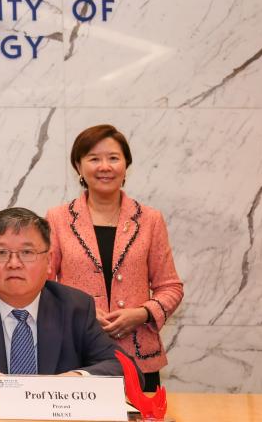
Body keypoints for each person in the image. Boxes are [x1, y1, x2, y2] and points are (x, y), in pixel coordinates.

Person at [0, 207, 125, 399]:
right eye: (1, 253)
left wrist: (76, 380)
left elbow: (124, 368)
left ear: (48, 261)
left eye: (27, 253)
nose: (14, 264)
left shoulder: (75, 306)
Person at [47, 124, 183, 392]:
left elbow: (171, 287)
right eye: (94, 159)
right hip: (77, 357)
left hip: (139, 356)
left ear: (126, 165)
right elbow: (44, 286)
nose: (104, 166)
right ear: (79, 166)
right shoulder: (58, 218)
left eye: (113, 158)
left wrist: (141, 313)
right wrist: (80, 313)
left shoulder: (150, 220)